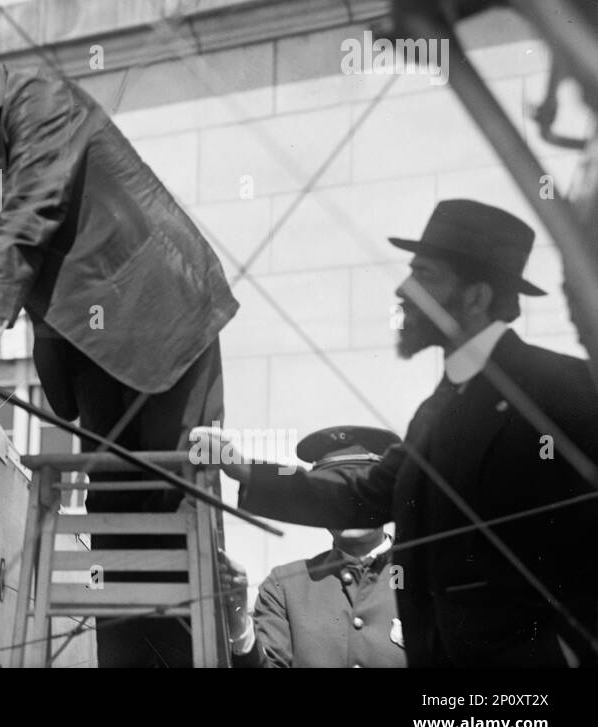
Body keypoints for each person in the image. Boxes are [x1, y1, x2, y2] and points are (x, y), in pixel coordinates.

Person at [0, 0, 239, 666]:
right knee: (115, 517)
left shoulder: (42, 100)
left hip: (165, 329)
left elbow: (26, 220)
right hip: (98, 353)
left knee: (172, 508)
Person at [195, 199, 598, 667]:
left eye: (426, 275)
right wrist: (242, 466)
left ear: (476, 298)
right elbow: (365, 494)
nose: (404, 290)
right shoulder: (439, 407)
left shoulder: (566, 388)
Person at [221, 426, 405, 668]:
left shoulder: (428, 578)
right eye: (336, 495)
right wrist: (240, 624)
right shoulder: (284, 586)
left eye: (359, 493)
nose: (349, 507)